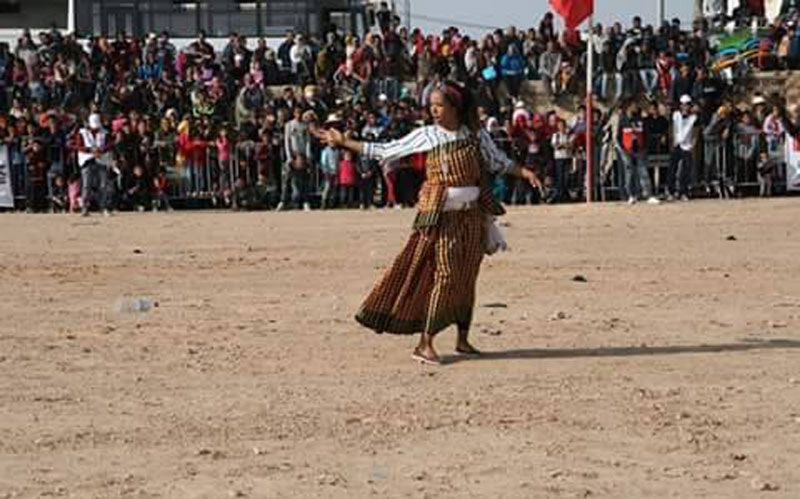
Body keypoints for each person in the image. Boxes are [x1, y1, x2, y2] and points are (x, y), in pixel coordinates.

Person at [317, 81, 538, 365]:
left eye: (439, 105)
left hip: (472, 217)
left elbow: (498, 162)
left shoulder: (475, 135)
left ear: (454, 107)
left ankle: (462, 339)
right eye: (432, 105)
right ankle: (425, 343)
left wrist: (525, 172)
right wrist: (345, 142)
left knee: (467, 276)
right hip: (441, 218)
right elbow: (387, 151)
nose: (433, 110)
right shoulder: (427, 135)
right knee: (445, 275)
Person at [76, 113, 113, 216]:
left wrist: (102, 150)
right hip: (87, 160)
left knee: (103, 184)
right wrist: (90, 150)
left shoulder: (105, 132)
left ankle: (104, 206)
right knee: (86, 185)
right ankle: (85, 207)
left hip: (102, 160)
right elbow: (79, 145)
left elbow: (110, 144)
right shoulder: (82, 133)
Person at [668, 95, 697, 201]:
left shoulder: (694, 118)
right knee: (672, 169)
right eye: (683, 105)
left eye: (687, 105)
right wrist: (671, 143)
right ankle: (671, 191)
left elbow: (695, 132)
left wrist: (693, 145)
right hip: (676, 144)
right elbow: (671, 129)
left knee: (686, 170)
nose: (685, 107)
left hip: (687, 146)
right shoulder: (675, 115)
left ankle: (684, 192)